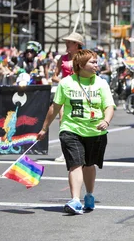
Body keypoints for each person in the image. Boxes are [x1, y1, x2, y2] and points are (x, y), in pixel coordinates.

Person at [37, 49, 115, 215]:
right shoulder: (66, 83)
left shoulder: (101, 83)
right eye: (93, 62)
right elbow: (55, 107)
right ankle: (75, 200)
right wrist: (44, 128)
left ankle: (89, 195)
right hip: (71, 129)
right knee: (76, 163)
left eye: (96, 62)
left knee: (89, 165)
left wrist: (106, 121)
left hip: (95, 132)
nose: (97, 64)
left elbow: (109, 106)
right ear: (80, 65)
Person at [51, 32, 84, 162]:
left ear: (77, 45)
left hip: (79, 92)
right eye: (67, 42)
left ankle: (80, 149)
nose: (67, 44)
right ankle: (65, 152)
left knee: (79, 120)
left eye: (69, 42)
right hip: (64, 92)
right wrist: (62, 82)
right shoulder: (62, 59)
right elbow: (54, 76)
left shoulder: (82, 58)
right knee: (62, 121)